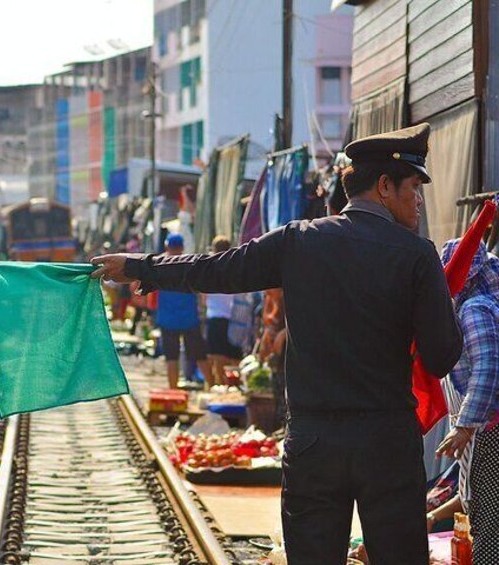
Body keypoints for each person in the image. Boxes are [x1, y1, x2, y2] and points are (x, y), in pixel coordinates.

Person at [92, 123, 463, 564]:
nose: (420, 199)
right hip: (387, 441)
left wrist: (141, 266)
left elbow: (217, 269)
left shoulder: (298, 240)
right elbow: (442, 356)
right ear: (384, 186)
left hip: (313, 442)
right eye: (414, 187)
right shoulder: (416, 254)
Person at [432, 238, 499, 561]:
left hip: (491, 432)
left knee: (488, 531)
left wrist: (464, 426)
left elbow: (487, 369)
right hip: (487, 429)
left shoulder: (476, 309)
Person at [154, 234, 211, 389]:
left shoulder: (159, 264)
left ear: (167, 246)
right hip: (189, 319)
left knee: (171, 357)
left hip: (167, 319)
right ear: (182, 247)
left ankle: (173, 391)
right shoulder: (190, 263)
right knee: (200, 355)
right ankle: (213, 387)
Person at [203, 236, 242, 385]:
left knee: (217, 356)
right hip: (234, 318)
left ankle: (219, 386)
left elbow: (203, 297)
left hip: (215, 316)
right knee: (234, 357)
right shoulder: (236, 268)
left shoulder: (208, 269)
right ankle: (234, 387)